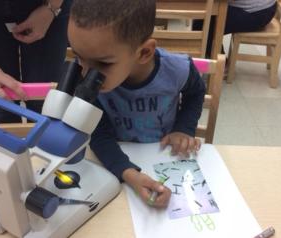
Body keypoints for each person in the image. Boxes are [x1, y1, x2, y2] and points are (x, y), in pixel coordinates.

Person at [68, 0, 206, 208]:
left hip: (164, 155)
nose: (86, 74)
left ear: (144, 52)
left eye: (103, 64)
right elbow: (99, 134)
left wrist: (183, 129)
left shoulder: (177, 70)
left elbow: (196, 92)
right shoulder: (88, 80)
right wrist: (130, 175)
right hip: (116, 158)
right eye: (79, 57)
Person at [194, 0, 277, 58]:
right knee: (203, 18)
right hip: (262, 7)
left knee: (203, 25)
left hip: (258, 12)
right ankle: (213, 57)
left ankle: (220, 64)